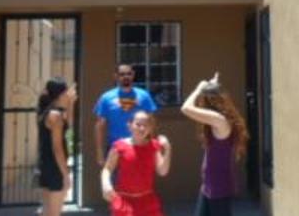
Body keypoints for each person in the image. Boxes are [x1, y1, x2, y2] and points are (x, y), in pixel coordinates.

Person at [180, 73, 249, 216]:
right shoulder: (217, 119)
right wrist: (212, 85)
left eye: (203, 100)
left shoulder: (219, 120)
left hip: (218, 188)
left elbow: (185, 108)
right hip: (209, 186)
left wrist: (199, 89)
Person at [100, 110, 171, 216]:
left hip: (148, 202)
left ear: (150, 128)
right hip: (124, 201)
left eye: (145, 125)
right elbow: (107, 169)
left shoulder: (154, 146)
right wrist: (106, 184)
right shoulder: (119, 146)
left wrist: (168, 148)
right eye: (138, 125)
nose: (142, 128)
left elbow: (162, 171)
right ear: (130, 125)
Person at [95, 64, 157, 167]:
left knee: (140, 182)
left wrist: (153, 146)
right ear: (116, 76)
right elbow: (99, 126)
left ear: (133, 75)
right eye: (122, 74)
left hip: (140, 147)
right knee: (114, 182)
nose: (126, 77)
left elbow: (152, 122)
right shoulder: (106, 98)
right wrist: (99, 153)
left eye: (129, 74)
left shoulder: (144, 96)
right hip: (116, 149)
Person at [38, 77, 78, 216]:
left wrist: (71, 103)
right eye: (67, 92)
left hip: (46, 165)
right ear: (61, 94)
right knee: (54, 213)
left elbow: (69, 125)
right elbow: (58, 148)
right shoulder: (55, 115)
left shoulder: (50, 112)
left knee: (47, 212)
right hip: (54, 167)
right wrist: (66, 174)